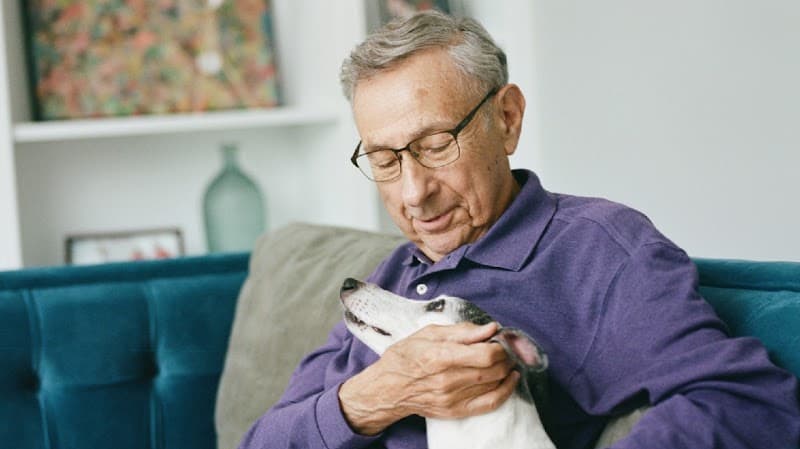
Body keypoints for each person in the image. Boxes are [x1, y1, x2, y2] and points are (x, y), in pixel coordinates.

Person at [237, 11, 800, 449]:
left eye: (436, 145)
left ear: (506, 119)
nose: (412, 193)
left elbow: (744, 400)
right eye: (384, 160)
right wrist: (373, 398)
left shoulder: (595, 252)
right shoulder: (391, 277)